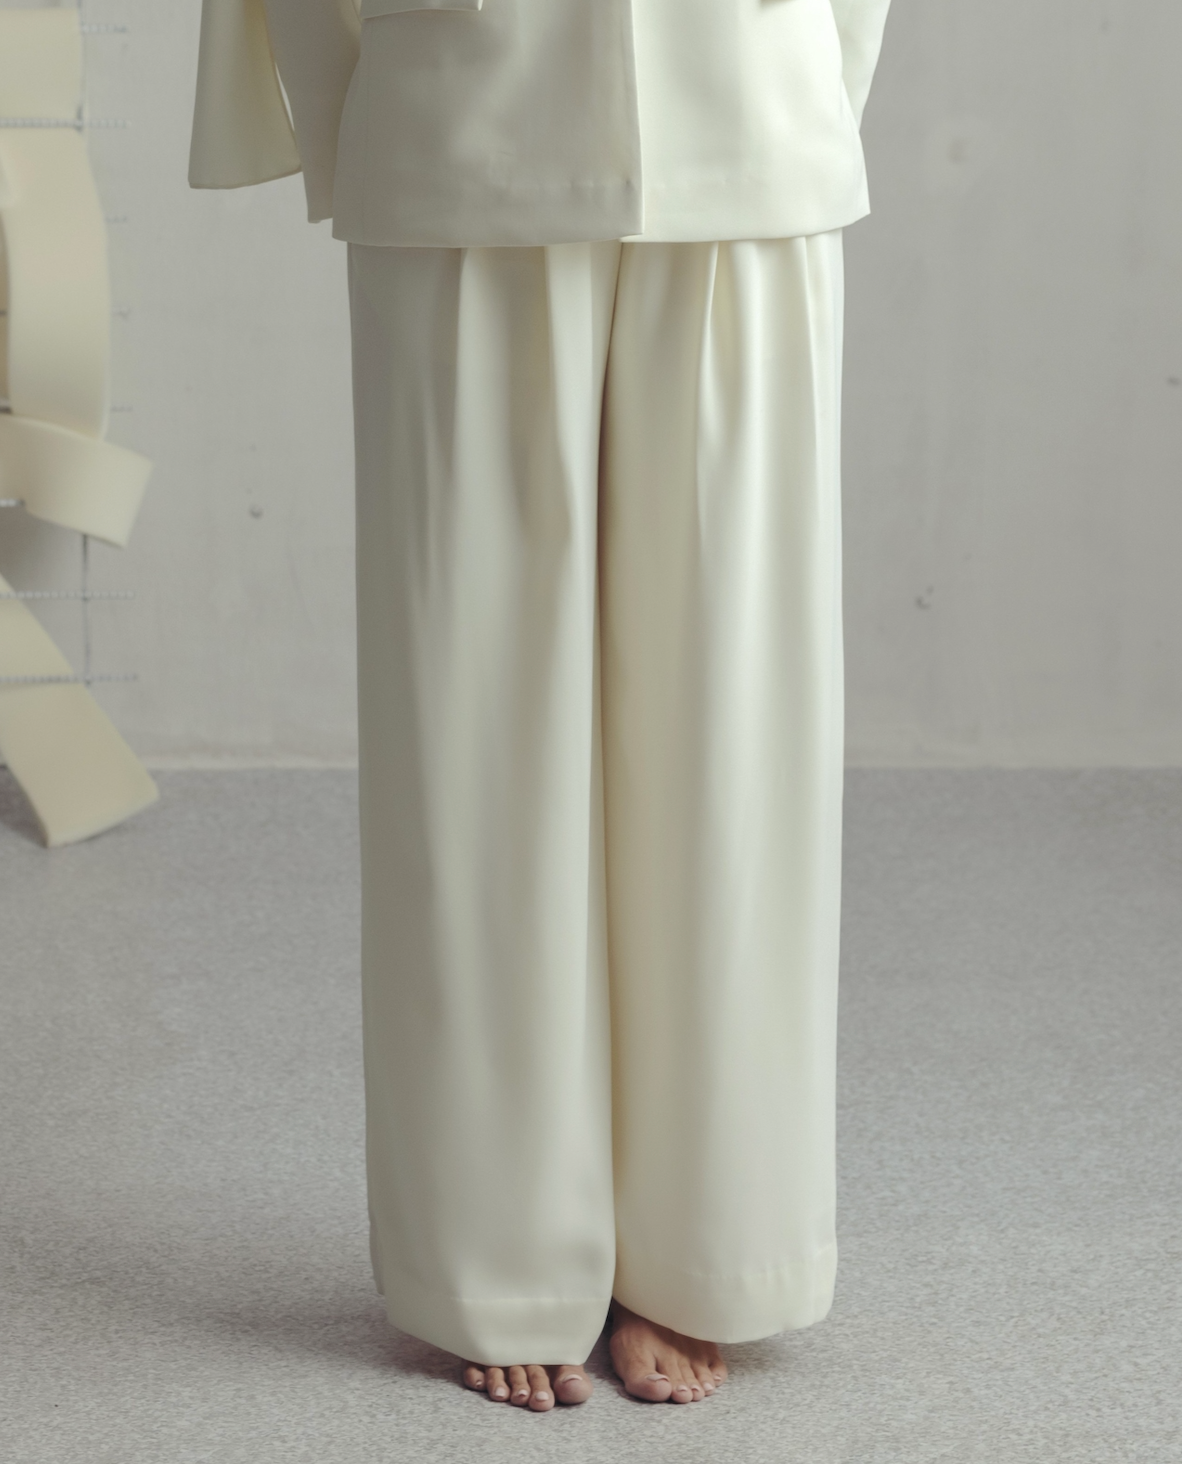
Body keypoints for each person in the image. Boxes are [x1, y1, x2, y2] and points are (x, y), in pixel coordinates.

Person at [190, 0, 892, 1411]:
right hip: (464, 114)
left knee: (732, 743)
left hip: (745, 115)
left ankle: (709, 1245)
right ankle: (496, 1251)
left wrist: (805, 84)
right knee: (476, 740)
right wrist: (359, 127)